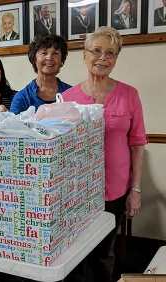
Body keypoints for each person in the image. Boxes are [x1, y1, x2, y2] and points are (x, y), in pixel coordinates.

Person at [62, 27, 147, 282]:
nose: (103, 58)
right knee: (74, 255)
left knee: (104, 253)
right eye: (96, 51)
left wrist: (136, 190)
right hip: (77, 192)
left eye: (110, 53)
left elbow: (137, 143)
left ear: (116, 59)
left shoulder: (129, 94)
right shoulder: (66, 98)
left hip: (115, 191)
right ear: (84, 54)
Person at [10, 34, 71, 114]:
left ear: (61, 60)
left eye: (55, 53)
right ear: (34, 59)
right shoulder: (22, 97)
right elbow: (12, 125)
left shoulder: (71, 93)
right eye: (44, 53)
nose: (49, 57)